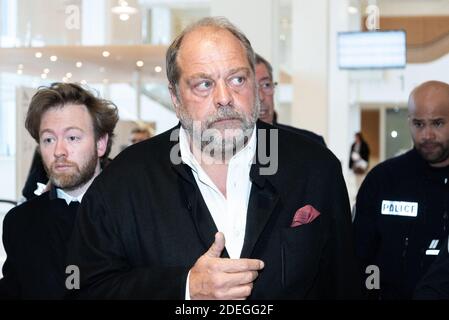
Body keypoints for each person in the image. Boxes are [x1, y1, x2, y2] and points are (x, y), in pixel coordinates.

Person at [67, 17, 360, 299]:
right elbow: (89, 288)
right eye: (204, 84)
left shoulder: (314, 169)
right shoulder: (124, 182)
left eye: (237, 79)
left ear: (256, 87)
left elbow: (343, 285)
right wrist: (185, 288)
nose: (224, 98)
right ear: (175, 96)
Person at [0, 83, 118, 299]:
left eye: (72, 137)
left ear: (101, 143)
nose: (58, 151)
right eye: (49, 139)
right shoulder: (20, 223)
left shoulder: (136, 213)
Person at [353, 80, 449, 300]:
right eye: (418, 124)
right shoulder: (383, 180)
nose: (427, 135)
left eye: (437, 123)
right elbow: (359, 256)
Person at [255, 53, 326, 147]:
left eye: (266, 85)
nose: (261, 97)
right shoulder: (232, 149)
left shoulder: (312, 144)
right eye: (252, 88)